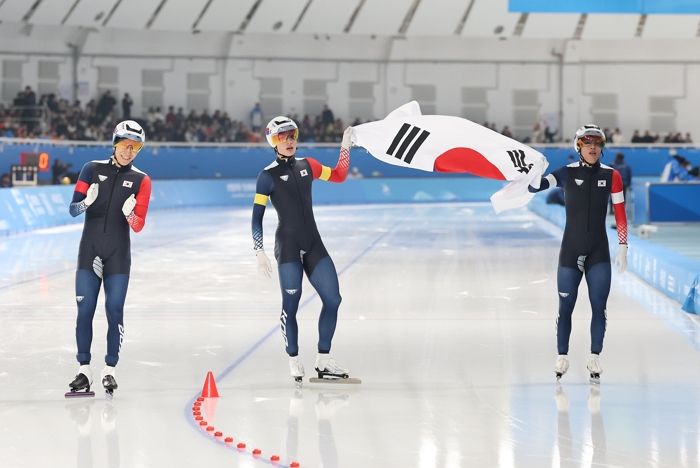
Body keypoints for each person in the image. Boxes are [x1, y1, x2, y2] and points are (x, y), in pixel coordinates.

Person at [252, 116, 353, 383]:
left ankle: (323, 359)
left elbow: (340, 176)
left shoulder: (309, 165)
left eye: (292, 135)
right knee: (291, 305)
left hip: (313, 244)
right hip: (287, 248)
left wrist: (345, 148)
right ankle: (294, 358)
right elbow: (256, 217)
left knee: (333, 299)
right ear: (272, 142)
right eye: (282, 137)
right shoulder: (266, 177)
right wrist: (259, 251)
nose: (289, 141)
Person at [528, 124, 628, 384]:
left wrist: (624, 246)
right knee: (566, 307)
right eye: (588, 143)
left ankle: (595, 356)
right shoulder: (565, 173)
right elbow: (534, 187)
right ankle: (562, 356)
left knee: (599, 307)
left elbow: (620, 214)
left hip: (599, 253)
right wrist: (533, 170)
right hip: (570, 252)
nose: (593, 147)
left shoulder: (612, 175)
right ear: (579, 146)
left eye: (598, 144)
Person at [66, 120, 152, 397]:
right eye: (125, 145)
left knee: (114, 310)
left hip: (118, 255)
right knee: (85, 310)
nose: (129, 151)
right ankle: (83, 370)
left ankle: (109, 371)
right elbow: (72, 210)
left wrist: (129, 213)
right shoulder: (91, 169)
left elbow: (138, 225)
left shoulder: (142, 180)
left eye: (135, 147)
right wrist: (86, 202)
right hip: (89, 252)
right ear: (114, 143)